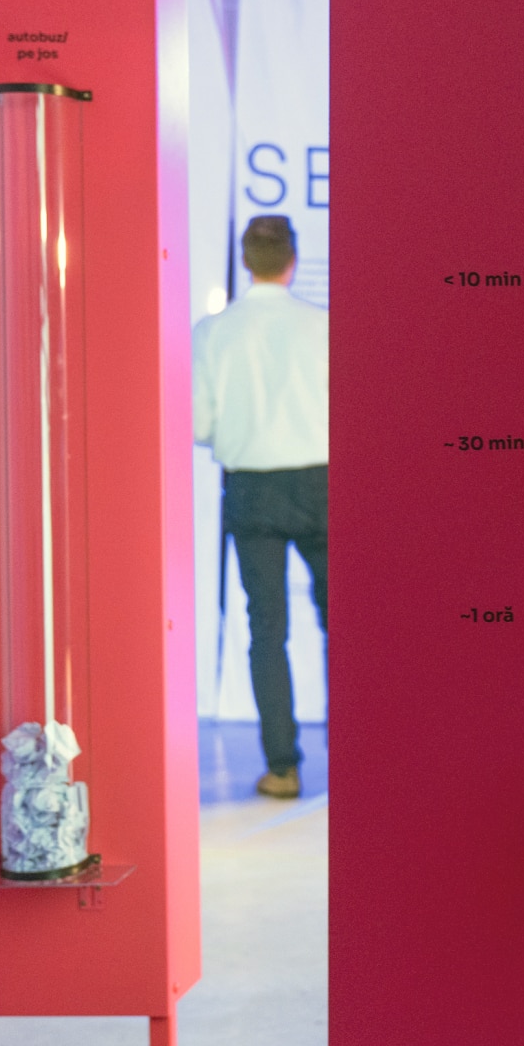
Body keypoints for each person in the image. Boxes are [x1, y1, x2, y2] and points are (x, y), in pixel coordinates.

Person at [193, 216, 328, 799]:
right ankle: (356, 758)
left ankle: (283, 767)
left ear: (246, 261)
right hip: (322, 483)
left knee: (266, 628)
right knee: (341, 623)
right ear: (292, 260)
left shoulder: (213, 332)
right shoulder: (324, 327)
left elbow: (200, 424)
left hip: (251, 486)